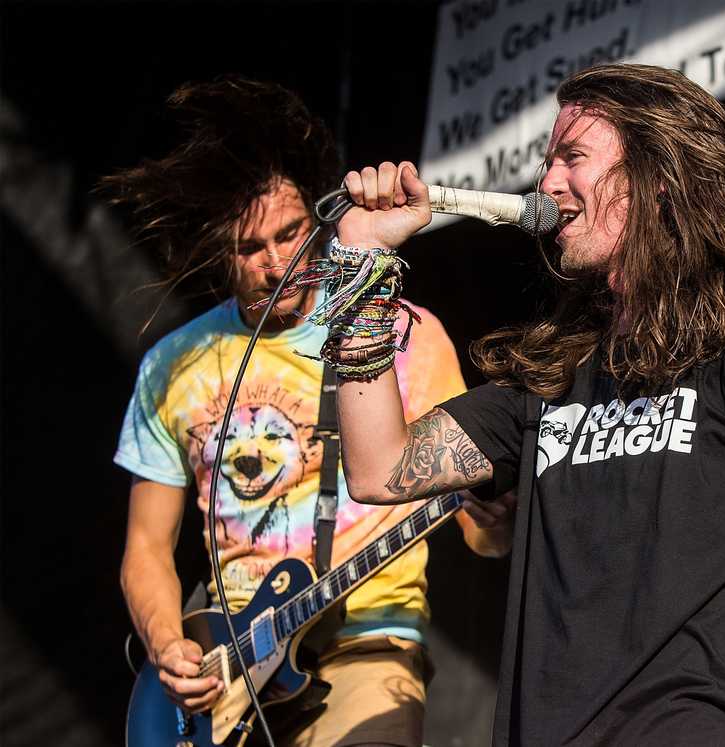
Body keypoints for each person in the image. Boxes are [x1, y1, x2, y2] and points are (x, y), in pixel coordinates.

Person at [323, 64, 725, 746]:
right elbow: (380, 466)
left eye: (572, 157)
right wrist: (360, 263)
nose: (548, 184)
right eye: (547, 163)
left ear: (655, 176)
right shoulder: (551, 377)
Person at [106, 76, 515, 747]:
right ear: (220, 252)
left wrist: (493, 518)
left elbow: (481, 527)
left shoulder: (404, 334)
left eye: (291, 234)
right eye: (250, 248)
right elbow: (145, 547)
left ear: (318, 220)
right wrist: (166, 643)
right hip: (225, 664)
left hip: (367, 634)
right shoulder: (174, 364)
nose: (276, 263)